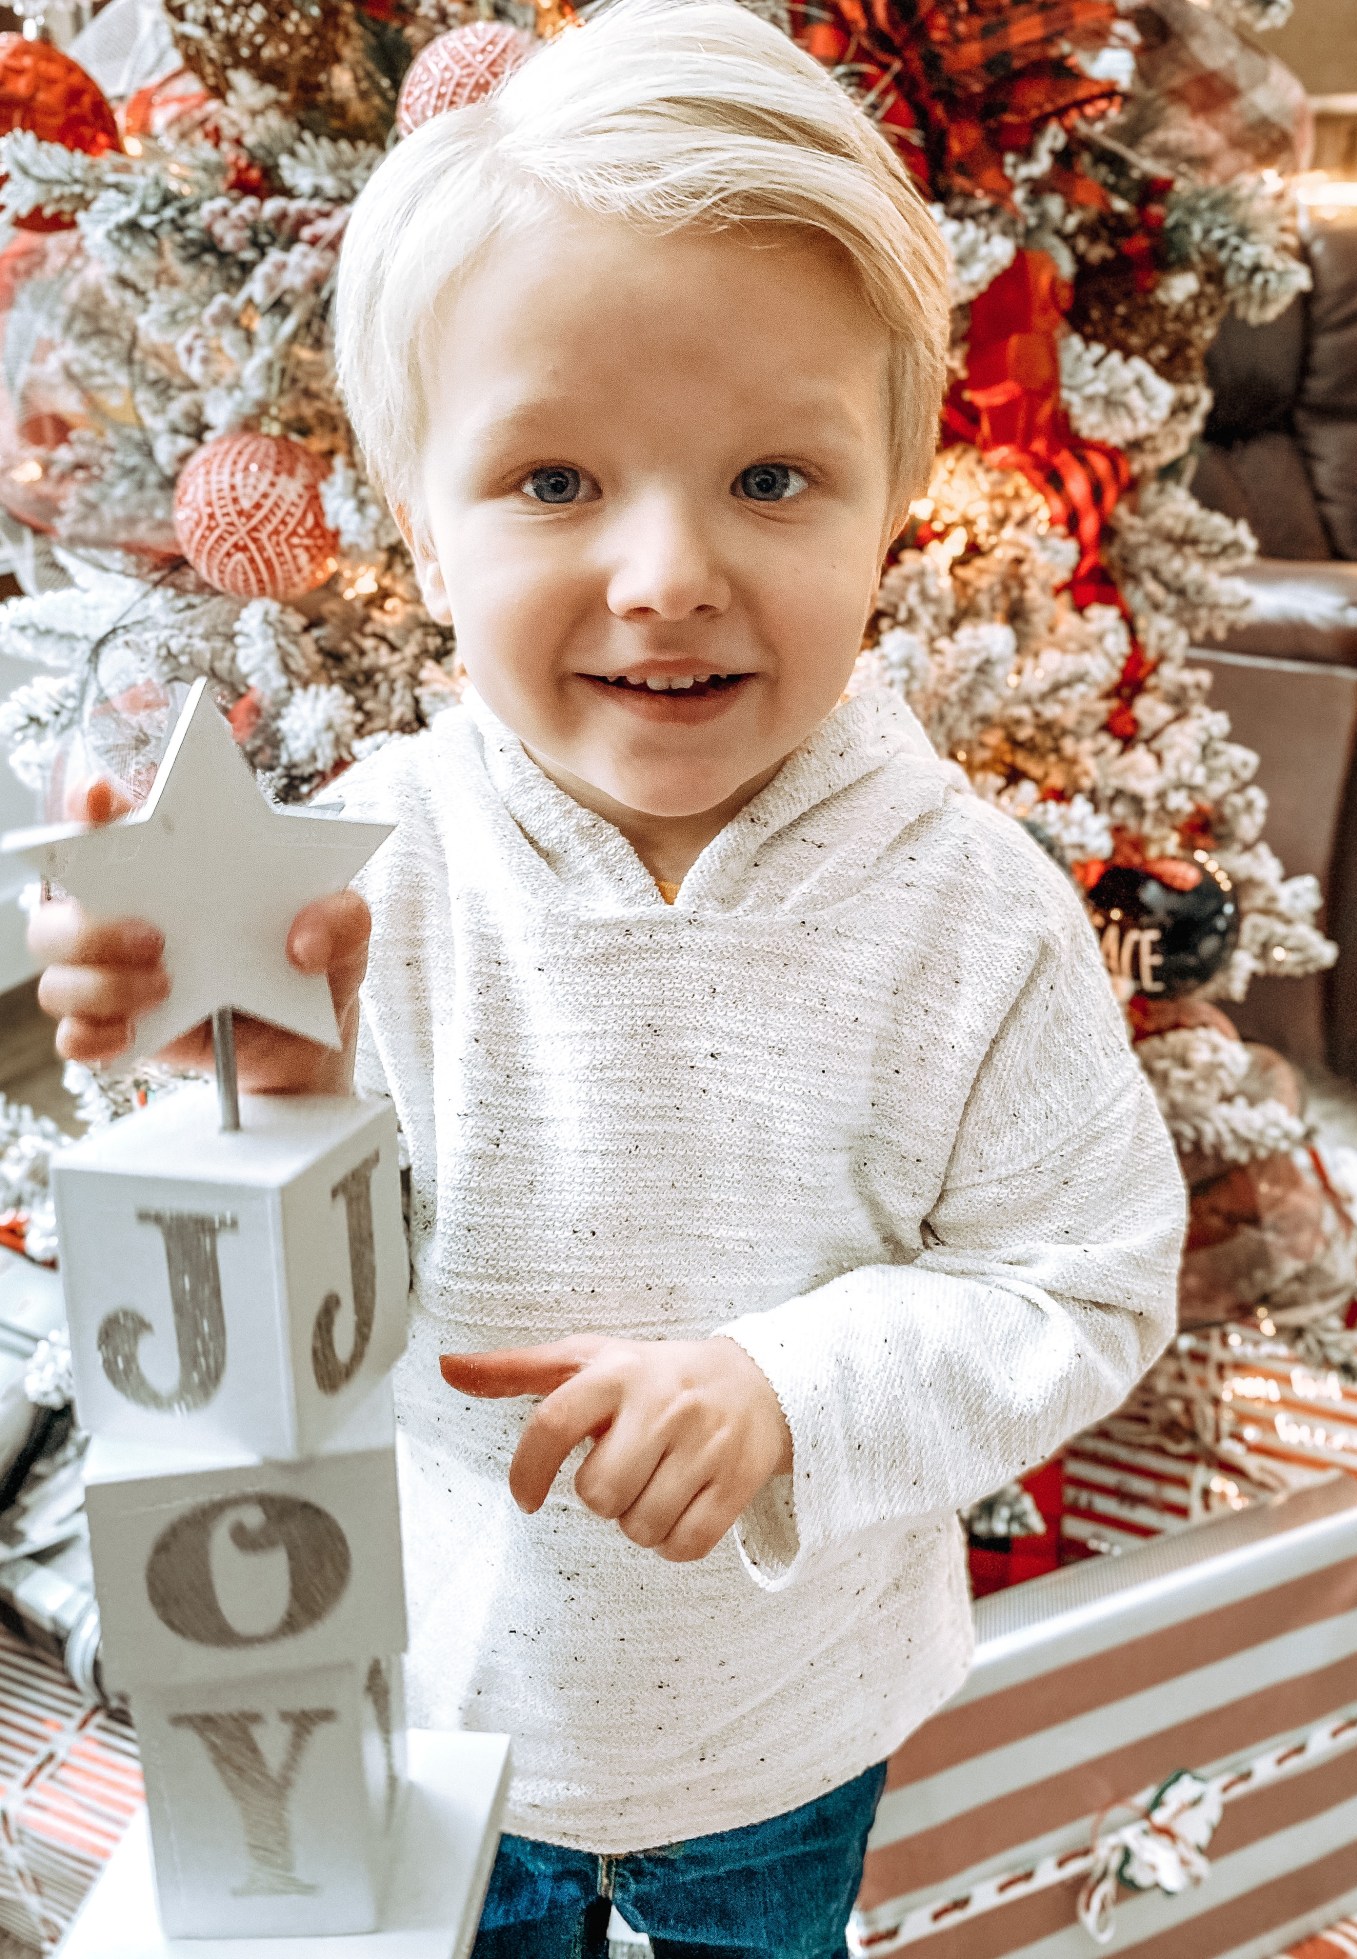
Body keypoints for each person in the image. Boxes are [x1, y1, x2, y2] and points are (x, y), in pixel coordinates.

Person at [29, 3, 1188, 1953]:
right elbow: (255, 1326)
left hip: (779, 1737)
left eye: (771, 477)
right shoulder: (358, 868)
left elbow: (1086, 1279)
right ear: (422, 526)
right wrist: (254, 1086)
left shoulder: (969, 911)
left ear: (896, 495)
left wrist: (792, 1393)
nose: (665, 573)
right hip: (438, 1709)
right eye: (556, 482)